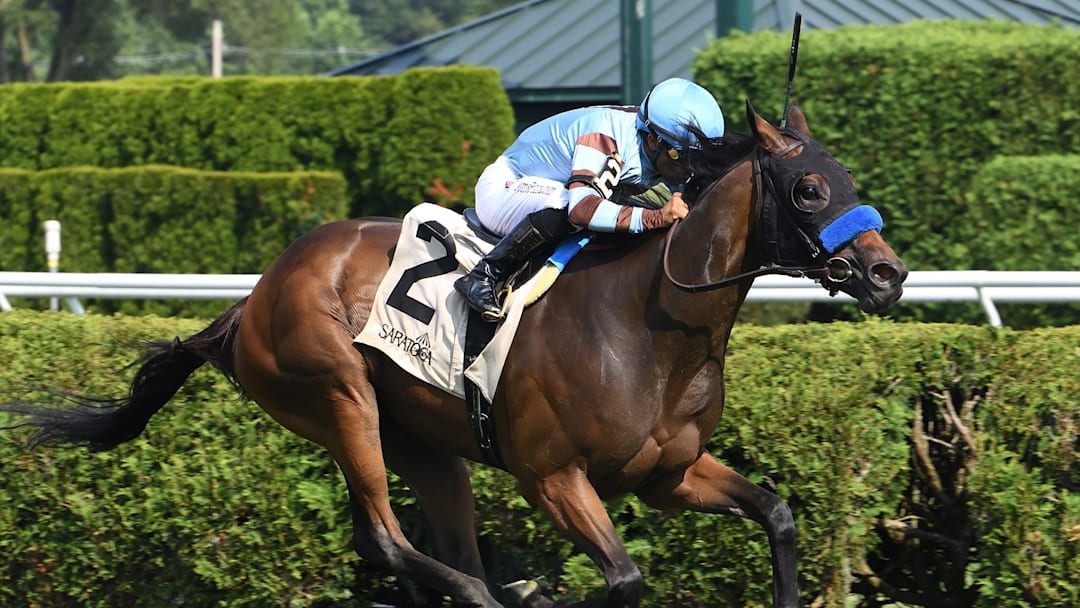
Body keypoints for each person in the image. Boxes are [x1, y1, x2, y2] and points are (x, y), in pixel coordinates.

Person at [454, 77, 726, 321]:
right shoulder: (605, 137)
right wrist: (656, 217)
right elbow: (582, 210)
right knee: (571, 206)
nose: (690, 169)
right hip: (504, 189)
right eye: (685, 158)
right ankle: (486, 274)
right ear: (654, 142)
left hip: (546, 187)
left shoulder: (655, 140)